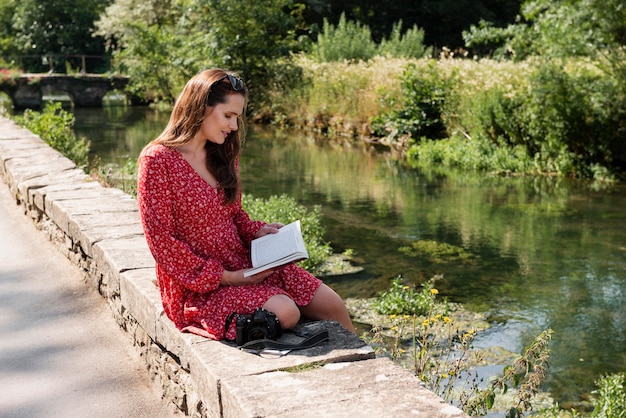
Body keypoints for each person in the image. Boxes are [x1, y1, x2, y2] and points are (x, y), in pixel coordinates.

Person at [137, 68, 355, 341]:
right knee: (286, 311)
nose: (234, 126)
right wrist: (229, 277)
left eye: (237, 118)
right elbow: (161, 241)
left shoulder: (222, 151)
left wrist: (256, 232)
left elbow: (233, 213)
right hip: (201, 283)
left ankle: (368, 373)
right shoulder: (158, 160)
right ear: (201, 108)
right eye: (228, 116)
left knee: (333, 304)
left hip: (246, 263)